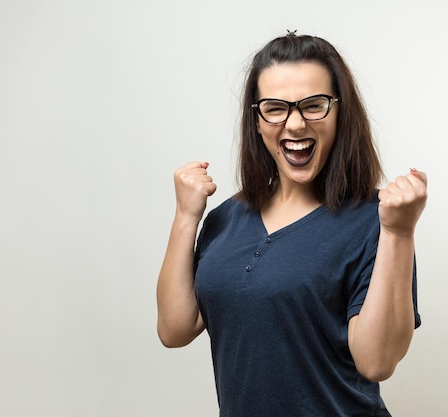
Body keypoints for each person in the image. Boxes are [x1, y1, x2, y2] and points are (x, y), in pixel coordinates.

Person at [156, 32, 428, 417]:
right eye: (275, 107)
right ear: (257, 119)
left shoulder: (375, 221)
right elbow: (174, 329)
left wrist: (399, 233)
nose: (295, 123)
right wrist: (185, 217)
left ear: (339, 111)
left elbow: (377, 362)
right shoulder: (225, 220)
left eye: (314, 105)